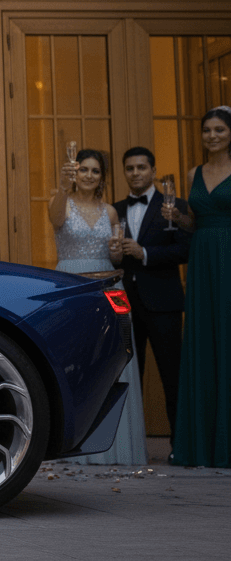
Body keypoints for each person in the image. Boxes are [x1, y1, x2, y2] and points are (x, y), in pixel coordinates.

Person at [50, 148, 146, 465]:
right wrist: (63, 186)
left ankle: (118, 447)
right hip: (73, 287)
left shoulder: (111, 213)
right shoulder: (60, 201)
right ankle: (71, 447)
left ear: (102, 177)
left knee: (113, 359)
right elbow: (55, 219)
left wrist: (118, 252)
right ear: (74, 174)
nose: (89, 176)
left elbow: (116, 258)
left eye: (95, 171)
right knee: (76, 360)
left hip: (109, 287)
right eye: (84, 170)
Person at [166, 106, 231, 467]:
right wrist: (179, 218)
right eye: (207, 130)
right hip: (202, 259)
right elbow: (194, 222)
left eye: (219, 129)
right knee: (204, 342)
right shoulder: (194, 172)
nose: (212, 136)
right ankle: (202, 443)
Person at [113, 146, 190, 441]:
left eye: (141, 168)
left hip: (164, 303)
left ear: (153, 172)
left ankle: (180, 443)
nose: (135, 173)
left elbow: (184, 250)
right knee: (129, 376)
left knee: (173, 376)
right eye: (130, 168)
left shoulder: (175, 207)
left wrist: (145, 253)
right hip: (125, 305)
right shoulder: (115, 209)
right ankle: (131, 443)